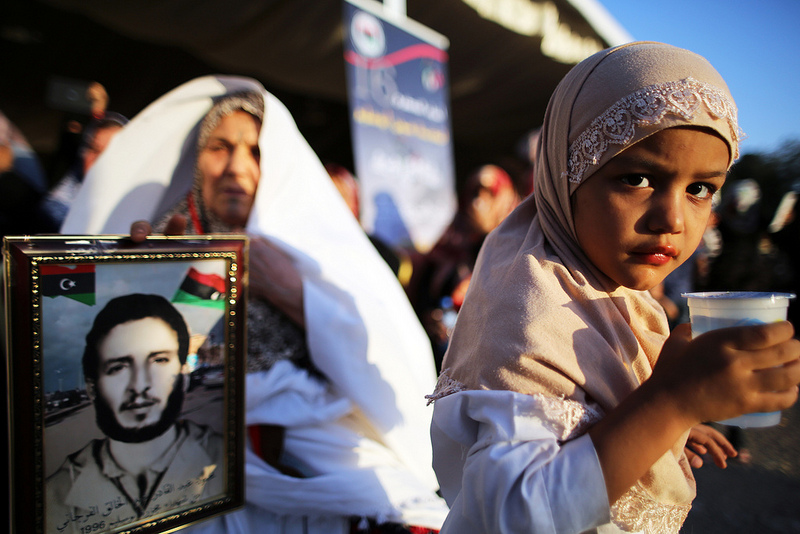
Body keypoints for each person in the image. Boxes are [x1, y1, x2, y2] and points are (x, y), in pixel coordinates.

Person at [425, 42, 800, 534]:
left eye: (700, 189)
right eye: (638, 178)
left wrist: (663, 428)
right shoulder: (532, 311)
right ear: (567, 176)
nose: (673, 219)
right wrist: (670, 403)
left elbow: (576, 425)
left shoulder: (614, 295)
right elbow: (514, 513)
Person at [61, 76, 448, 533]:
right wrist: (137, 284)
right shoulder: (164, 244)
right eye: (220, 147)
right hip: (189, 480)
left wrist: (295, 294)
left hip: (316, 472)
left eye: (255, 151)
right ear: (197, 159)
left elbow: (389, 366)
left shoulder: (319, 251)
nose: (236, 167)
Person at [45, 294, 224, 533]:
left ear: (183, 377)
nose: (139, 386)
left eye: (159, 361)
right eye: (118, 367)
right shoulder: (54, 496)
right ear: (91, 388)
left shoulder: (224, 457)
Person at [406, 164, 519, 370]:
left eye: (489, 194)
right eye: (474, 193)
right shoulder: (448, 248)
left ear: (505, 200)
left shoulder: (516, 252)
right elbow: (425, 295)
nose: (478, 202)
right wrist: (431, 318)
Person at [38, 112, 128, 232]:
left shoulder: (146, 209)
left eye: (109, 153)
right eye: (94, 149)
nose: (99, 161)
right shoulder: (53, 212)